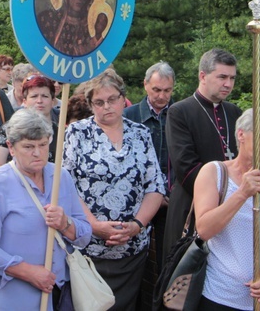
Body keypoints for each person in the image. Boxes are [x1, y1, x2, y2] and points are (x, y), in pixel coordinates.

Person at [63, 69, 165, 310]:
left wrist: (137, 225)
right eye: (98, 102)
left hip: (131, 248)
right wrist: (93, 225)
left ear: (123, 98)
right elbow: (67, 185)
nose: (106, 106)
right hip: (88, 248)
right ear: (89, 104)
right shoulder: (77, 133)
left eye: (112, 99)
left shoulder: (141, 133)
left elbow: (155, 186)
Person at [0, 109, 92, 310]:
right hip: (11, 299)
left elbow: (85, 235)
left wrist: (65, 224)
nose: (37, 153)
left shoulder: (61, 177)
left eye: (43, 145)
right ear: (10, 147)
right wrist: (29, 272)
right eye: (28, 146)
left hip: (58, 295)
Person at [194, 108, 260, 310]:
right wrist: (241, 193)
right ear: (241, 134)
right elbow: (204, 229)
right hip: (218, 296)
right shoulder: (214, 173)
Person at [164, 48, 243, 261]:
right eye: (222, 77)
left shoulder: (235, 113)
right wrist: (228, 194)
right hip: (190, 208)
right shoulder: (180, 112)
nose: (228, 84)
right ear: (202, 76)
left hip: (227, 209)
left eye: (232, 78)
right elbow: (186, 168)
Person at [123, 61, 174, 271]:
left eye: (167, 90)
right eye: (156, 90)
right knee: (133, 260)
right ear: (145, 85)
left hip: (171, 201)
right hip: (137, 201)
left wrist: (168, 193)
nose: (162, 96)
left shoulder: (180, 115)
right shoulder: (129, 116)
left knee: (167, 260)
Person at [0, 75, 58, 174]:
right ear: (24, 101)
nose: (39, 101)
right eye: (34, 96)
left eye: (45, 96)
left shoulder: (60, 132)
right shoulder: (9, 128)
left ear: (52, 101)